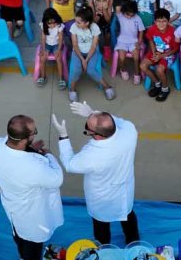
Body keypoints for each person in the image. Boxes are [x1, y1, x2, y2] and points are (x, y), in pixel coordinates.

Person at [0, 115, 65, 260]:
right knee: (34, 243)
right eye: (34, 131)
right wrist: (49, 155)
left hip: (12, 204)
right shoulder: (33, 166)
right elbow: (57, 179)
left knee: (18, 232)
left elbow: (10, 150)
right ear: (28, 137)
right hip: (32, 213)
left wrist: (30, 149)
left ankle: (22, 256)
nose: (35, 134)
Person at [52, 101, 140, 245]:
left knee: (101, 226)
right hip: (124, 191)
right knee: (128, 215)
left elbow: (70, 164)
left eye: (88, 128)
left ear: (97, 136)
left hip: (101, 198)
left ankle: (104, 249)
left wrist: (63, 136)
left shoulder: (92, 155)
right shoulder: (130, 132)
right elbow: (115, 121)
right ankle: (134, 242)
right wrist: (93, 113)